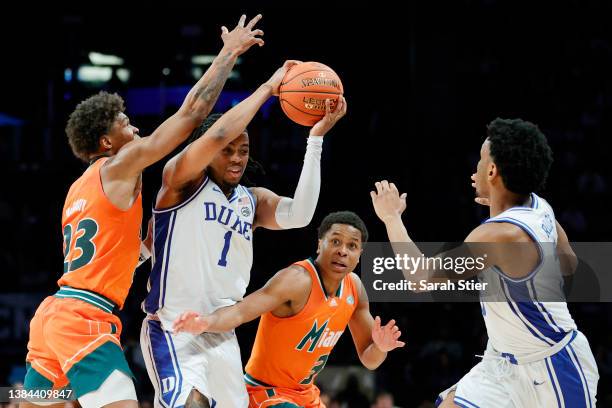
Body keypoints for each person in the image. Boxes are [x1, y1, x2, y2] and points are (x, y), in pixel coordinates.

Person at [22, 14, 264, 408]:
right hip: (86, 318)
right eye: (123, 122)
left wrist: (151, 246)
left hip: (52, 316)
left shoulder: (78, 189)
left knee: (31, 402)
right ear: (105, 141)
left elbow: (112, 253)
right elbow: (191, 116)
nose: (132, 125)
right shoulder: (119, 165)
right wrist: (228, 53)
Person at [140, 54, 347, 406]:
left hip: (221, 330)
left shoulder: (252, 201)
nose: (236, 158)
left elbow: (301, 214)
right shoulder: (181, 182)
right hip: (174, 325)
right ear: (209, 152)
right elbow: (219, 130)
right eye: (227, 151)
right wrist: (269, 87)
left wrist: (315, 140)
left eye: (244, 151)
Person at [370, 118, 599, 407]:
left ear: (492, 171)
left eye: (480, 159)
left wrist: (391, 218)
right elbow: (570, 265)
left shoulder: (499, 235)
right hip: (502, 362)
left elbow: (420, 278)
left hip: (554, 368)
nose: (475, 168)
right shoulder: (539, 207)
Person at [173, 211, 405, 408]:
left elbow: (370, 359)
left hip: (306, 395)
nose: (343, 251)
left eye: (352, 246)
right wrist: (206, 322)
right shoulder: (297, 280)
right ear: (319, 244)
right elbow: (241, 312)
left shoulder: (355, 288)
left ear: (359, 255)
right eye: (335, 241)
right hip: (267, 392)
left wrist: (381, 347)